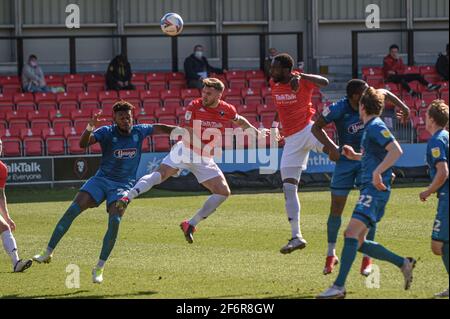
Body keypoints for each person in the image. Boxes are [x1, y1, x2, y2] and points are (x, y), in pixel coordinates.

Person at [32, 101, 180, 284]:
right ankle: (47, 252)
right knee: (72, 210)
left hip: (123, 185)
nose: (126, 120)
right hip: (100, 180)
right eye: (122, 117)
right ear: (114, 119)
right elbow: (83, 143)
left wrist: (184, 132)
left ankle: (99, 267)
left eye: (128, 117)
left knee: (115, 220)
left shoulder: (139, 131)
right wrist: (90, 126)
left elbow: (161, 128)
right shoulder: (106, 132)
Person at [116, 78, 268, 243]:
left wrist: (255, 132)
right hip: (186, 150)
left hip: (203, 158)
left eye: (209, 93)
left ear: (219, 95)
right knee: (159, 175)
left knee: (223, 192)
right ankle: (127, 197)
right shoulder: (194, 105)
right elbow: (187, 132)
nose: (204, 95)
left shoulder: (227, 109)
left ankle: (190, 224)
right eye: (203, 92)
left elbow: (239, 120)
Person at [317, 87, 416, 299]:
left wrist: (379, 173)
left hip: (373, 190)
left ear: (362, 105)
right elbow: (375, 156)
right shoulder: (370, 126)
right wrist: (354, 157)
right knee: (358, 242)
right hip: (372, 189)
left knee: (350, 235)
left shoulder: (375, 126)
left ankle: (338, 286)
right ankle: (403, 263)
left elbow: (396, 150)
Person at [268, 53, 330, 254]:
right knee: (288, 188)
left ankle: (375, 171)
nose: (272, 71)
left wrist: (302, 77)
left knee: (337, 154)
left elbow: (325, 81)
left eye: (275, 68)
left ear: (286, 70)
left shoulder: (301, 81)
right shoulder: (274, 83)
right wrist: (276, 126)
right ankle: (297, 237)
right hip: (291, 141)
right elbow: (280, 106)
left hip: (309, 131)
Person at [419, 100, 449, 298]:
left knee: (438, 245)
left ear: (431, 118)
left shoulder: (437, 140)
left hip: (447, 197)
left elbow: (443, 171)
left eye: (426, 113)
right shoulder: (446, 136)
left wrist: (428, 191)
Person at [0, 139, 33, 272]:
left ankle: (17, 263)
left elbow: (1, 195)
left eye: (0, 145)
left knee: (4, 227)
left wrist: (7, 217)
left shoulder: (2, 169)